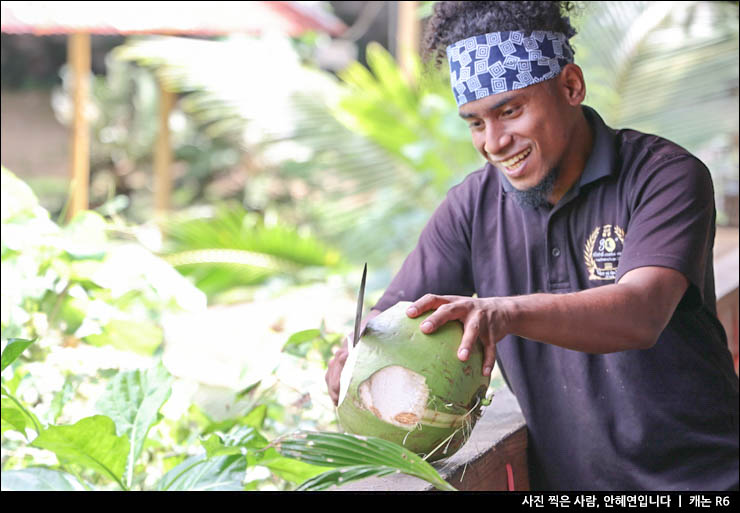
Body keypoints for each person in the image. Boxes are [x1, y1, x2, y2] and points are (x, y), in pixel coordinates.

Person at [325, 1, 739, 491]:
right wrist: (355, 363)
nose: (494, 142)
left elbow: (641, 312)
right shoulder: (469, 210)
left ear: (570, 86)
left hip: (707, 480)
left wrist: (502, 312)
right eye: (476, 122)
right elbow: (398, 322)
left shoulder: (663, 175)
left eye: (510, 110)